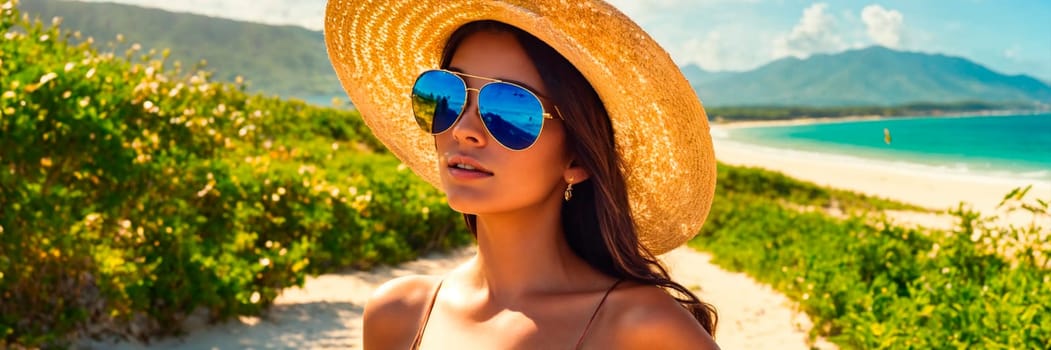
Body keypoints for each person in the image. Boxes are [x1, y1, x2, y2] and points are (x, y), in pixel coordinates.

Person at [325, 1, 721, 348]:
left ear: (577, 161)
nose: (463, 128)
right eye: (447, 96)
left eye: (512, 110)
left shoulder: (644, 329)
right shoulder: (397, 316)